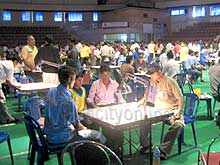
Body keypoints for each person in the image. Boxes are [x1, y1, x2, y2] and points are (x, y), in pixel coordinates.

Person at [44, 65, 106, 145]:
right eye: (74, 79)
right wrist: (86, 129)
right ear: (70, 79)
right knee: (100, 136)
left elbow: (53, 106)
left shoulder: (51, 91)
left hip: (49, 134)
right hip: (63, 137)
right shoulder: (68, 101)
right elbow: (77, 125)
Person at [138, 62, 184, 160]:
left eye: (152, 73)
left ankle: (163, 150)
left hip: (172, 111)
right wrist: (142, 101)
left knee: (178, 125)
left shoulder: (170, 82)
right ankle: (146, 145)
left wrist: (179, 111)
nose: (151, 76)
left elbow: (180, 97)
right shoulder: (152, 81)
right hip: (157, 111)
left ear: (159, 72)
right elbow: (147, 94)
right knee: (143, 121)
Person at [0, 55, 22, 124]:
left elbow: (11, 79)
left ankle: (4, 117)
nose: (17, 67)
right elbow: (9, 82)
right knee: (1, 100)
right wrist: (17, 87)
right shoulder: (10, 66)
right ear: (15, 62)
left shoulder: (6, 63)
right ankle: (7, 118)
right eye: (17, 65)